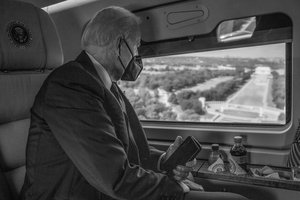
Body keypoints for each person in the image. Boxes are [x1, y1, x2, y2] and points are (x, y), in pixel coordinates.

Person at [20, 6, 249, 200]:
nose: (138, 55)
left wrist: (163, 160)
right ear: (120, 45)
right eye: (137, 46)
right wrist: (174, 188)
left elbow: (128, 150)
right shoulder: (70, 85)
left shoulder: (105, 85)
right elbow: (115, 177)